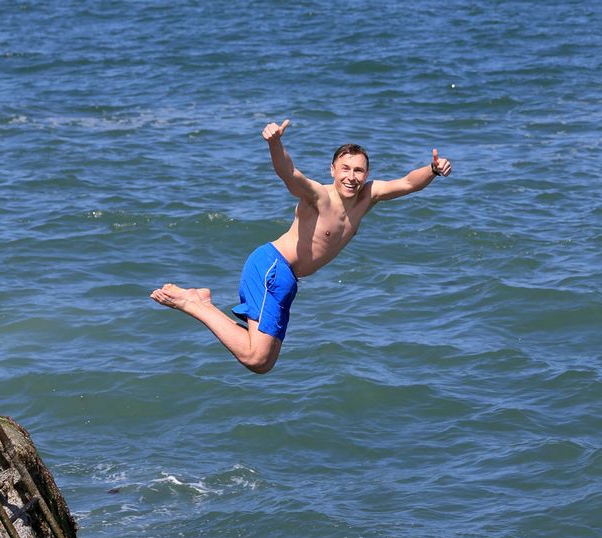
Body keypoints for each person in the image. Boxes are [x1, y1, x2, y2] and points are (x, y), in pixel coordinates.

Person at [150, 118, 452, 374]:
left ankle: (201, 302)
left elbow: (410, 183)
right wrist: (275, 144)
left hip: (287, 278)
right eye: (345, 169)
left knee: (264, 363)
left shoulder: (368, 197)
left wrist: (433, 169)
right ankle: (194, 303)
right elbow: (288, 174)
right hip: (271, 266)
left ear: (367, 174)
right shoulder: (319, 197)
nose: (351, 177)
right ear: (332, 170)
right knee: (255, 358)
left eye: (358, 171)